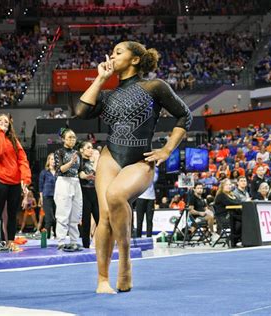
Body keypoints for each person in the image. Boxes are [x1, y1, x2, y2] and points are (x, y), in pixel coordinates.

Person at [74, 41, 191, 293]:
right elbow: (81, 111)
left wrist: (167, 150)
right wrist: (100, 79)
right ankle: (103, 280)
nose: (112, 56)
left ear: (135, 59)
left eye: (118, 52)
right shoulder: (107, 95)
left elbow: (185, 115)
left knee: (116, 195)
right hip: (110, 156)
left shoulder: (154, 87)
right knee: (104, 216)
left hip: (141, 159)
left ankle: (125, 259)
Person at [0, 113, 31, 252]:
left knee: (12, 214)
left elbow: (23, 160)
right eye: (0, 120)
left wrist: (25, 179)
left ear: (10, 125)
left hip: (15, 181)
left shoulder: (15, 141)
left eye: (6, 121)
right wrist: (0, 133)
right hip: (0, 180)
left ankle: (10, 242)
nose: (4, 122)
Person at [53, 128, 83, 252]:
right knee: (63, 214)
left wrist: (88, 176)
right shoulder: (59, 152)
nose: (72, 140)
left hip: (76, 182)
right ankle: (61, 241)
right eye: (70, 137)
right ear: (63, 139)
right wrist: (71, 162)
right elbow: (60, 169)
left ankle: (74, 241)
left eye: (74, 137)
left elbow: (79, 171)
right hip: (63, 182)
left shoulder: (78, 153)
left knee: (75, 214)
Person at [79, 141, 99, 248]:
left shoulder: (92, 161)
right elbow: (82, 174)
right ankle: (85, 245)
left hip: (94, 192)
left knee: (100, 219)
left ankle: (102, 242)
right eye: (88, 147)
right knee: (86, 221)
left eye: (92, 148)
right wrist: (86, 176)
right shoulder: (79, 160)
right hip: (84, 192)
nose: (91, 150)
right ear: (82, 149)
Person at [214, 179, 241, 246]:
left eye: (229, 184)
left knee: (246, 219)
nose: (229, 186)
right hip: (224, 218)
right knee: (241, 222)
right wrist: (239, 202)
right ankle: (232, 239)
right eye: (226, 185)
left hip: (233, 215)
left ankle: (238, 239)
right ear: (222, 186)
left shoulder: (232, 195)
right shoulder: (221, 195)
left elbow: (238, 202)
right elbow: (231, 203)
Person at [135, 166, 158, 238]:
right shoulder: (139, 167)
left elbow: (154, 179)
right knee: (139, 220)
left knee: (149, 220)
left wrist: (153, 168)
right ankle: (138, 237)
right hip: (141, 196)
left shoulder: (155, 168)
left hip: (151, 197)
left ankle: (149, 237)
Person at [39, 153, 57, 239]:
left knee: (58, 217)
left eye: (55, 159)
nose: (53, 161)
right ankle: (48, 237)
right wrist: (41, 198)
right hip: (47, 196)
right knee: (49, 218)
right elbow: (40, 186)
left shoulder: (59, 172)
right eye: (52, 159)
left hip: (58, 196)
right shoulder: (44, 172)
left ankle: (57, 236)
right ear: (48, 161)